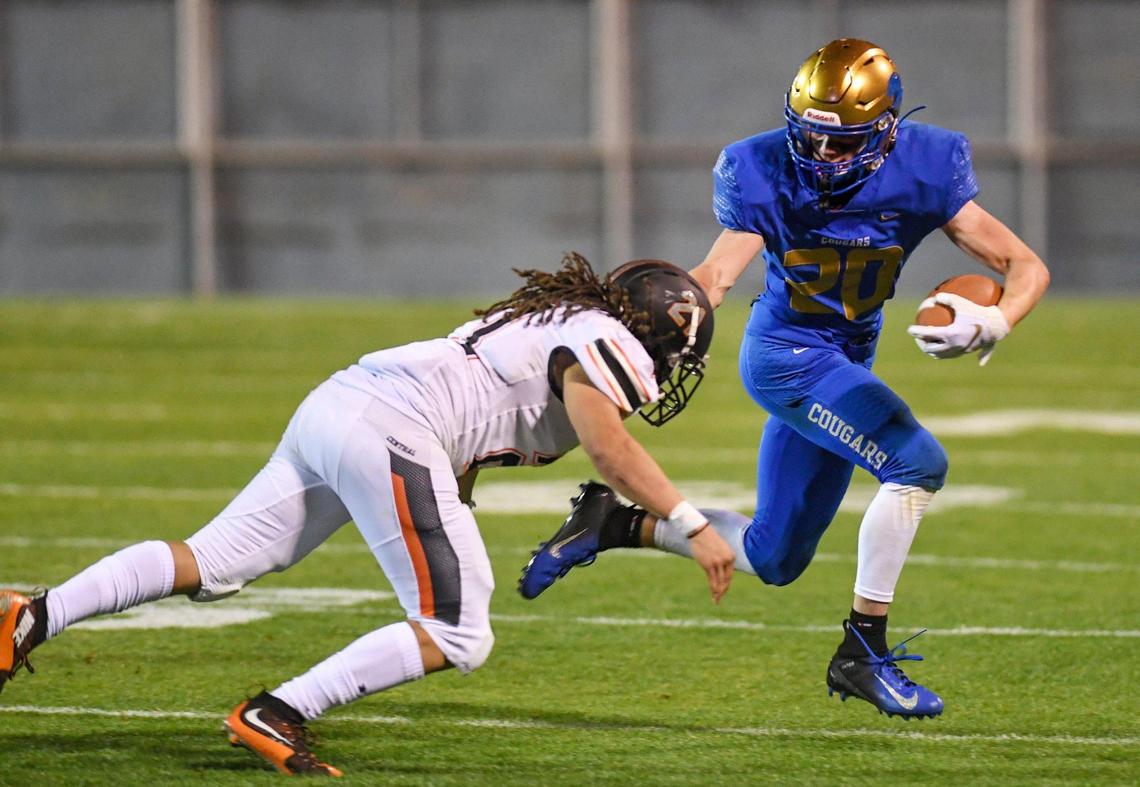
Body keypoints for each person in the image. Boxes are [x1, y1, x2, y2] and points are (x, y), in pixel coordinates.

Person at [0, 253, 737, 776]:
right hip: (391, 428)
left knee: (214, 560)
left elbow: (481, 413)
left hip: (343, 404)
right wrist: (692, 523)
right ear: (654, 336)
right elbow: (610, 449)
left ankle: (32, 615)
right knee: (458, 628)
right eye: (674, 357)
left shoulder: (562, 315)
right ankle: (278, 710)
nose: (668, 375)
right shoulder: (609, 343)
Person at [519, 39, 1050, 720]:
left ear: (887, 128)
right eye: (811, 136)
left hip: (846, 358)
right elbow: (717, 275)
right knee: (917, 463)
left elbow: (1024, 265)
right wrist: (649, 322)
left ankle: (614, 523)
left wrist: (998, 320)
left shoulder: (927, 163)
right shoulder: (761, 166)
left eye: (843, 140)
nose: (823, 154)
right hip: (785, 355)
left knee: (774, 557)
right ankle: (863, 650)